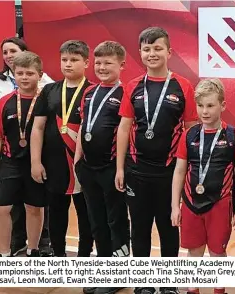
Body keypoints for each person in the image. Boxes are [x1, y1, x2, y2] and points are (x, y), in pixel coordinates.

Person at [115, 27, 198, 294]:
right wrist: (119, 167)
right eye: (147, 49)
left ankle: (168, 283)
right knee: (139, 227)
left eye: (157, 48)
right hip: (137, 171)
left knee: (168, 227)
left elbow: (191, 131)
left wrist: (188, 171)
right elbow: (125, 128)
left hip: (170, 172)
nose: (152, 53)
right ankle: (143, 281)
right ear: (140, 53)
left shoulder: (183, 86)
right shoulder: (133, 86)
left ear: (169, 52)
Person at [171, 78, 235, 294]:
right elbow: (179, 171)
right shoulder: (188, 135)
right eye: (200, 106)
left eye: (210, 105)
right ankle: (192, 289)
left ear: (222, 105)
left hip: (220, 203)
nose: (204, 111)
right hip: (190, 201)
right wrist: (175, 206)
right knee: (194, 250)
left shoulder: (234, 136)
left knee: (217, 251)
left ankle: (219, 289)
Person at [0, 37, 53, 257]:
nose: (24, 77)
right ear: (14, 74)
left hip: (37, 163)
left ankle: (32, 249)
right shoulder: (5, 101)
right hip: (9, 163)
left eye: (29, 73)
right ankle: (4, 253)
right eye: (20, 73)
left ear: (40, 75)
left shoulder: (48, 101)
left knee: (34, 208)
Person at [73, 41, 130, 294]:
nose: (102, 67)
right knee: (96, 221)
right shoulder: (88, 93)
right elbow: (84, 128)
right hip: (88, 168)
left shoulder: (125, 94)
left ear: (121, 65)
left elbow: (128, 133)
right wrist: (77, 162)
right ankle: (103, 269)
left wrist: (120, 168)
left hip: (111, 168)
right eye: (98, 62)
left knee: (115, 220)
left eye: (108, 62)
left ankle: (118, 274)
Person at [30, 40, 94, 260]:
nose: (68, 64)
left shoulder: (93, 91)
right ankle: (58, 255)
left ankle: (85, 257)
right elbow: (37, 128)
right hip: (54, 164)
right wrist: (35, 162)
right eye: (64, 60)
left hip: (84, 165)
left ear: (86, 62)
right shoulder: (49, 90)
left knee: (87, 215)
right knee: (56, 213)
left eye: (74, 60)